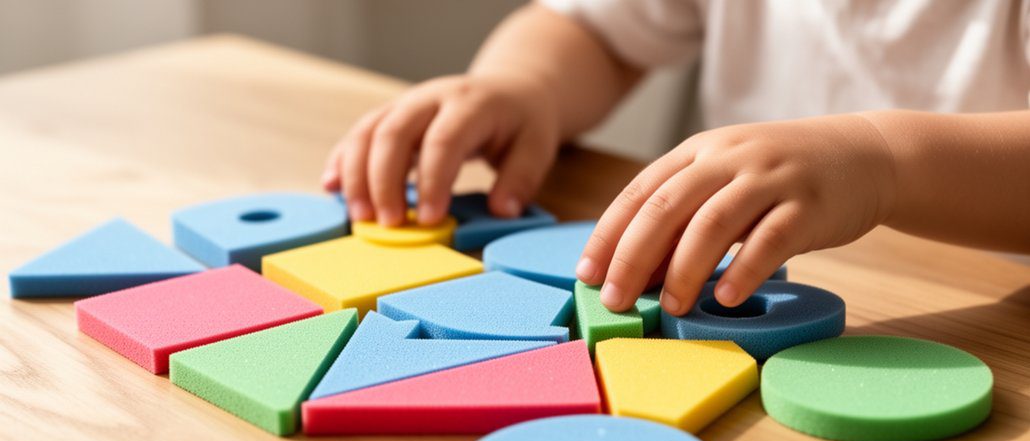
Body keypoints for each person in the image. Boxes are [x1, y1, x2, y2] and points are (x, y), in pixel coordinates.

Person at [321, 1, 1030, 315]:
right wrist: (524, 85)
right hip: (745, 292)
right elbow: (593, 30)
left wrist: (884, 163)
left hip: (990, 328)